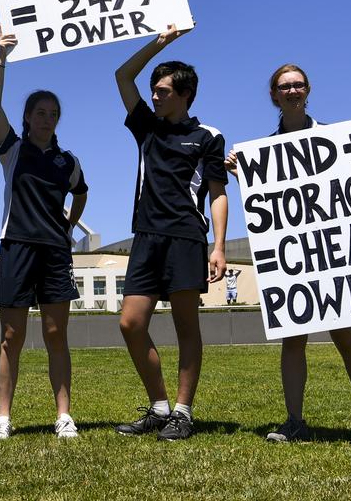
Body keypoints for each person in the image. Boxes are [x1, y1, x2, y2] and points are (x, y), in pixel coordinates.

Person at [225, 62, 351, 443]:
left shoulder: (336, 139)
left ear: (308, 90)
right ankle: (295, 421)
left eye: (298, 85)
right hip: (296, 258)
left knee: (344, 332)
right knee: (293, 337)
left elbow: (350, 190)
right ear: (273, 96)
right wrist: (243, 174)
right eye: (285, 86)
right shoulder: (265, 151)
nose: (292, 91)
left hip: (330, 254)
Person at [112, 24, 229, 441]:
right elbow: (122, 76)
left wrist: (218, 247)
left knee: (186, 327)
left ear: (184, 94)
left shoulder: (208, 137)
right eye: (154, 90)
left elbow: (217, 194)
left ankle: (183, 411)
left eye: (162, 91)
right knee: (130, 323)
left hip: (186, 238)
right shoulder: (147, 126)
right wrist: (159, 43)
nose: (155, 96)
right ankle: (159, 407)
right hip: (145, 236)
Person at [0, 29, 88, 441]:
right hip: (17, 248)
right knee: (11, 336)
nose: (46, 118)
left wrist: (67, 226)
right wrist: (2, 58)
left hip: (55, 253)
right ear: (27, 117)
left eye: (52, 114)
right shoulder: (11, 149)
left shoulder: (69, 161)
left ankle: (63, 415)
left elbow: (82, 194)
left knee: (55, 334)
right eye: (40, 112)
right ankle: (3, 417)